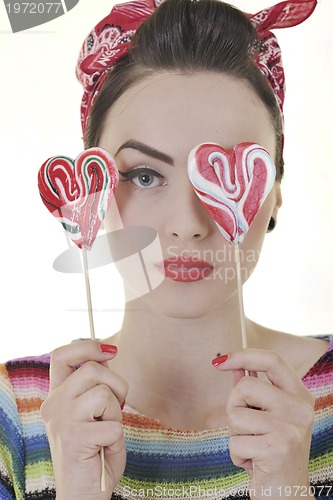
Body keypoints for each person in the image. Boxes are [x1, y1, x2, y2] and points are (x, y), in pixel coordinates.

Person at [1, 0, 332, 499]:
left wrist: (287, 487)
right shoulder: (17, 415)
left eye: (228, 175)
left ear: (274, 194)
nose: (187, 226)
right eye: (146, 176)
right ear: (89, 189)